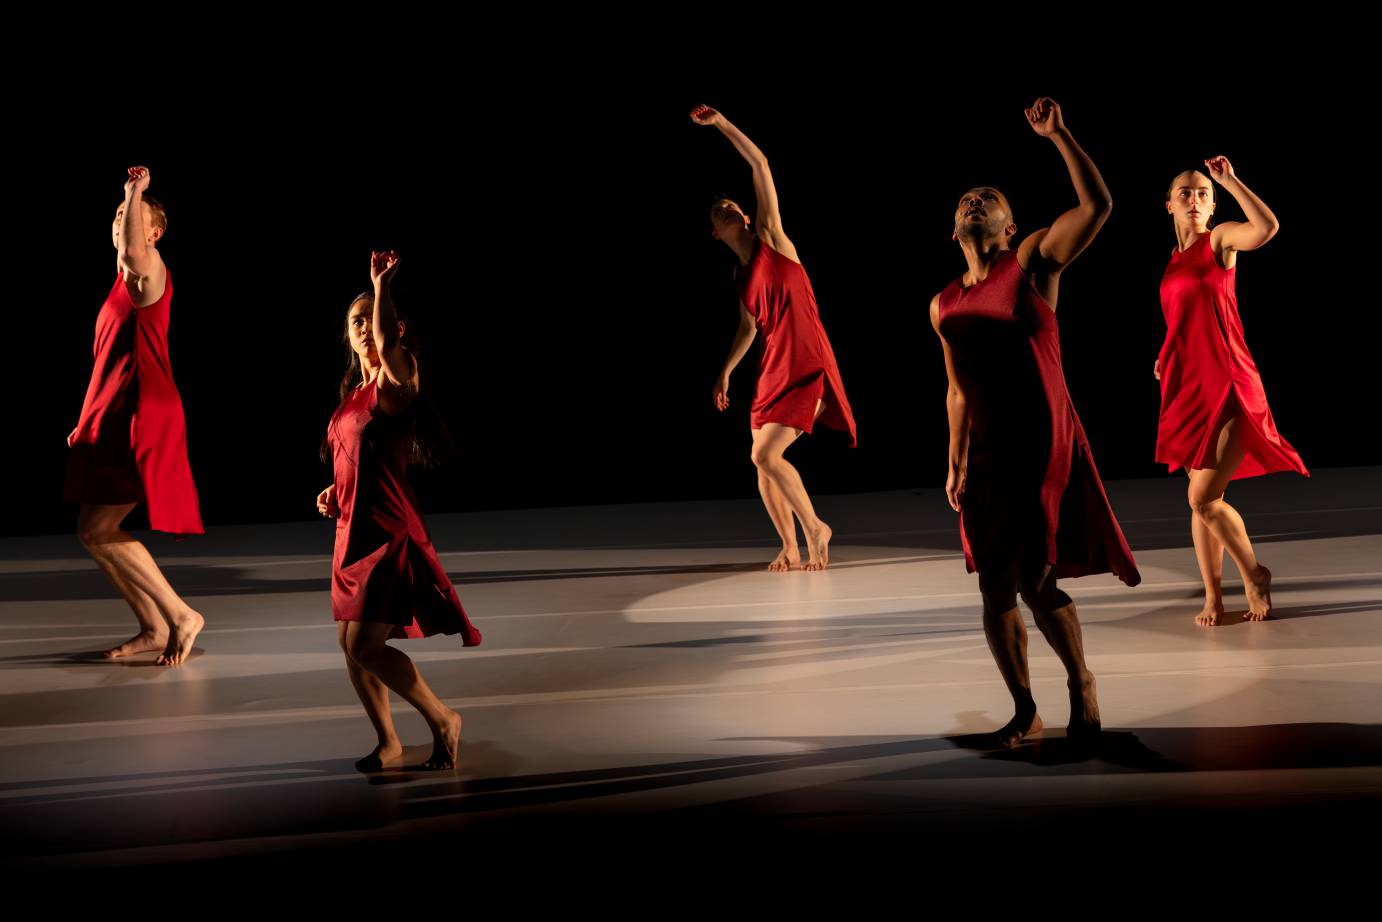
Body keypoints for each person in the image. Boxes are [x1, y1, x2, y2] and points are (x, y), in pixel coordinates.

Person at [929, 100, 1139, 747]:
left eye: (986, 198)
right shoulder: (943, 303)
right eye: (966, 198)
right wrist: (954, 460)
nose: (974, 202)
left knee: (1035, 577)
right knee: (995, 589)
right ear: (953, 225)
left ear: (1009, 220)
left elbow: (1098, 207)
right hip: (988, 450)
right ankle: (1025, 708)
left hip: (1043, 439)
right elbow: (956, 388)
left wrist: (1060, 136)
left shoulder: (1030, 262)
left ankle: (1081, 682)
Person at [320, 251, 482, 772]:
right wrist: (335, 489)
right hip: (352, 528)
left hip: (386, 531)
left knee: (367, 644)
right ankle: (388, 742)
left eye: (372, 318)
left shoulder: (398, 379)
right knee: (350, 644)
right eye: (355, 321)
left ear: (395, 325)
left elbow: (388, 343)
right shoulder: (354, 393)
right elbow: (356, 454)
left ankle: (443, 718)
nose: (364, 328)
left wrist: (380, 284)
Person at [692, 103, 858, 572]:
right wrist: (725, 371)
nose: (728, 205)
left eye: (733, 204)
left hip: (805, 358)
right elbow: (748, 327)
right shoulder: (739, 278)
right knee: (759, 461)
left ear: (744, 217)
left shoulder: (773, 239)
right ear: (715, 232)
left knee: (766, 452)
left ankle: (816, 528)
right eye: (718, 210)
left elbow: (760, 164)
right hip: (771, 365)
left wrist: (721, 124)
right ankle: (788, 545)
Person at [1156, 157, 1307, 626]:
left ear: (1213, 204)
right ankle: (1213, 598)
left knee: (1203, 498)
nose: (1195, 199)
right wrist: (1165, 354)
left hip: (1229, 382)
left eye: (1203, 193)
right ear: (1169, 206)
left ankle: (1255, 573)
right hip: (1187, 387)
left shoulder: (1218, 241)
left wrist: (1231, 180)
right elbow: (1185, 318)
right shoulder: (1173, 261)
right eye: (1186, 192)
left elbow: (1266, 228)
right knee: (1199, 501)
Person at [65, 166, 205, 666]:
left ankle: (180, 615)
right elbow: (109, 361)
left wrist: (134, 190)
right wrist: (88, 422)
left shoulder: (147, 272)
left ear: (154, 232)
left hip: (144, 415)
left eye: (134, 216)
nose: (123, 220)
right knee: (90, 529)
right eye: (119, 214)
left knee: (101, 528)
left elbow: (129, 252)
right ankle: (151, 625)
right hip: (115, 411)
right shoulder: (120, 286)